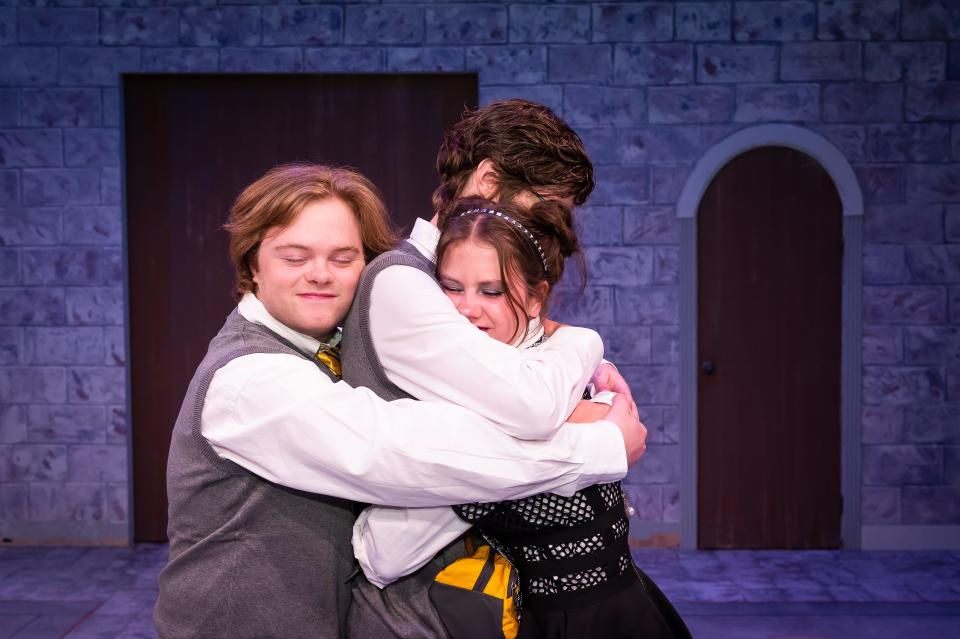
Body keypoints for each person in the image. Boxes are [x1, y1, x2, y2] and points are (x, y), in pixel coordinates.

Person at [153, 163, 646, 639]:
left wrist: (566, 350)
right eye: (294, 256)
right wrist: (594, 444)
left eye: (343, 258)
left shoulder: (333, 338)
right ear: (251, 264)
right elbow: (404, 451)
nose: (320, 274)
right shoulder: (249, 380)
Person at [342, 99, 645, 638]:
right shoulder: (402, 281)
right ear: (486, 180)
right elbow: (528, 408)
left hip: (473, 599)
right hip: (413, 604)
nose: (550, 229)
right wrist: (585, 349)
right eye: (545, 206)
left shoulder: (449, 282)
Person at [355, 197, 691, 639]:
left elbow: (613, 416)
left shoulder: (556, 373)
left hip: (617, 614)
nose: (465, 308)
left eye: (490, 291)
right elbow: (383, 553)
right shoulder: (459, 391)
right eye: (450, 288)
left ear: (536, 299)